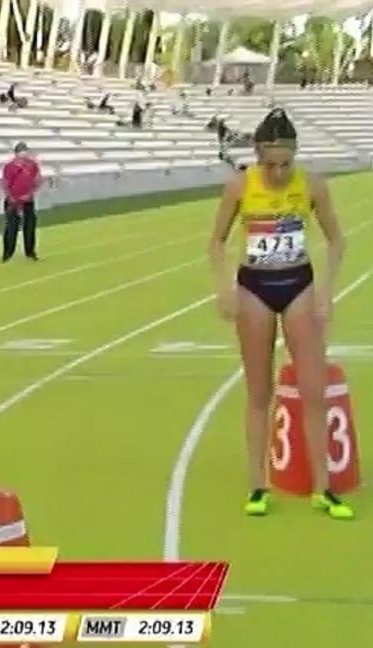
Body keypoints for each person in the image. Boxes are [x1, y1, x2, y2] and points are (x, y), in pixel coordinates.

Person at [208, 109, 353, 521]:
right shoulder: (239, 187)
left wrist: (325, 288)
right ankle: (258, 484)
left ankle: (324, 488)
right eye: (270, 165)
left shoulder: (313, 186)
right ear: (256, 156)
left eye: (286, 164)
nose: (278, 173)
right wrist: (224, 288)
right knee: (259, 391)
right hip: (254, 286)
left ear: (295, 156)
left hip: (299, 285)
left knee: (313, 388)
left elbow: (337, 240)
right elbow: (216, 242)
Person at [0, 142, 42, 262]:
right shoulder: (9, 166)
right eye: (22, 151)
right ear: (17, 152)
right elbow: (5, 183)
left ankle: (30, 251)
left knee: (29, 226)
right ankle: (7, 253)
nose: (25, 153)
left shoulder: (32, 165)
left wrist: (30, 194)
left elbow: (37, 180)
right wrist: (11, 197)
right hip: (13, 200)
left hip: (28, 199)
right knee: (11, 227)